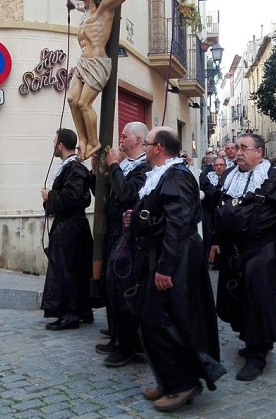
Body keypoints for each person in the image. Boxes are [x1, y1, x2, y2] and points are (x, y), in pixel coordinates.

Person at [126, 126, 225, 412]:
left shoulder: (177, 175)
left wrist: (165, 268)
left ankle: (183, 383)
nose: (143, 148)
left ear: (158, 147)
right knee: (153, 319)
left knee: (161, 320)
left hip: (176, 259)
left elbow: (178, 224)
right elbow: (159, 214)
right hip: (164, 256)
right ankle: (170, 379)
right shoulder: (162, 175)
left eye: (147, 143)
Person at [210, 133, 276, 381]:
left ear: (258, 152)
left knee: (257, 300)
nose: (238, 152)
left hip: (262, 248)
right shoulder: (229, 175)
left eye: (244, 148)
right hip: (232, 249)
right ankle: (254, 339)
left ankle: (257, 354)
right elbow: (219, 208)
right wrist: (216, 240)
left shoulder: (274, 177)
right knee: (233, 299)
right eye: (236, 148)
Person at [65, 0, 155, 159]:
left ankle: (94, 142)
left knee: (83, 104)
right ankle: (83, 140)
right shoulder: (86, 12)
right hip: (83, 62)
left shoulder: (104, 7)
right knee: (72, 99)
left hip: (98, 61)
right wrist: (72, 1)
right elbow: (80, 4)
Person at [97, 121, 150, 367]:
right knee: (110, 283)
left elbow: (127, 193)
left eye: (125, 135)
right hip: (114, 230)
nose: (121, 137)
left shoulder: (144, 167)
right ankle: (117, 337)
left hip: (129, 235)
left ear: (137, 140)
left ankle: (127, 345)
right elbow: (108, 194)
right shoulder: (124, 165)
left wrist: (115, 167)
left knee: (122, 286)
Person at [41, 128, 94, 330]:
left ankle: (70, 314)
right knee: (74, 269)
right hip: (69, 226)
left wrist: (50, 197)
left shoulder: (74, 168)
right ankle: (80, 310)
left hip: (71, 228)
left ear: (60, 145)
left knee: (68, 270)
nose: (53, 145)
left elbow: (72, 198)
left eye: (54, 141)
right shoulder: (71, 167)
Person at [200, 156, 227, 267]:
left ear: (225, 166)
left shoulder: (231, 177)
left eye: (221, 165)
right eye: (217, 165)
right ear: (213, 167)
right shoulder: (208, 178)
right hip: (211, 213)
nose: (219, 167)